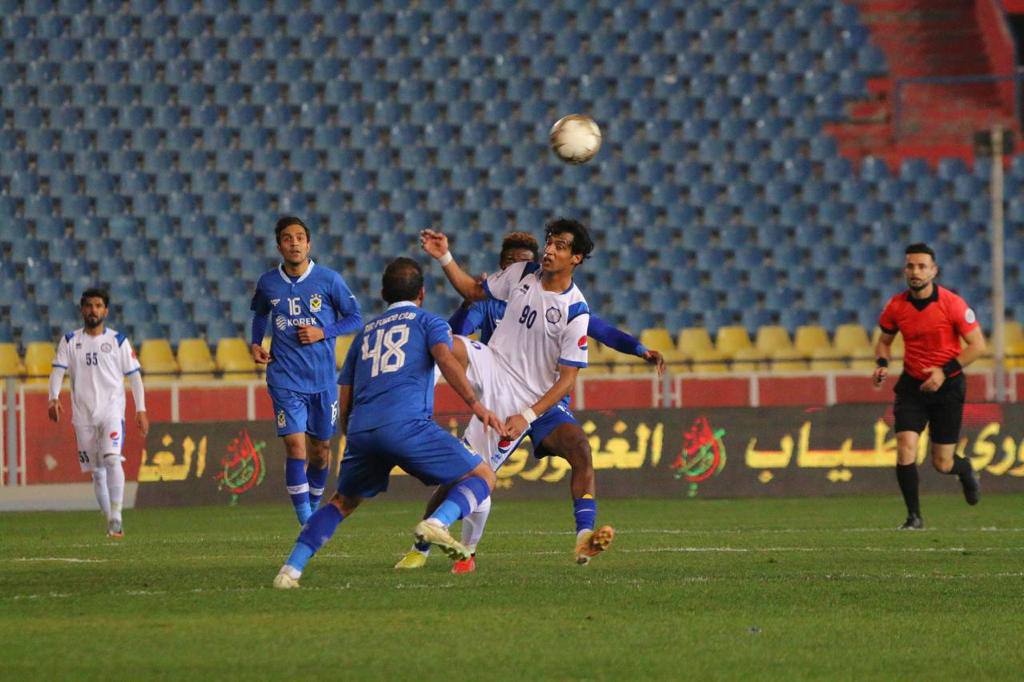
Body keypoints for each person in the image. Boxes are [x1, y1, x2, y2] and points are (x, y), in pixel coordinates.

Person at [399, 231, 664, 573]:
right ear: (503, 266)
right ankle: (423, 545)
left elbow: (597, 339)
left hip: (539, 401)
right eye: (548, 243)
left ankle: (584, 535)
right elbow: (464, 313)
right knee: (464, 469)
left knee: (579, 448)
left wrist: (639, 349)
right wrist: (445, 258)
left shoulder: (574, 310)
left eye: (558, 246)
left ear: (575, 258)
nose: (548, 251)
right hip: (496, 377)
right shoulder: (510, 284)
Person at [273, 257, 507, 588]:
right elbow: (444, 357)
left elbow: (345, 392)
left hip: (362, 429)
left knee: (341, 502)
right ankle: (438, 522)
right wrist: (475, 404)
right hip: (408, 424)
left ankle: (290, 570)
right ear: (422, 293)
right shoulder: (429, 322)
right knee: (483, 475)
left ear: (383, 293)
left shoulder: (365, 333)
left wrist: (352, 437)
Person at [250, 216, 362, 525]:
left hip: (323, 381)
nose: (294, 243)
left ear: (309, 244)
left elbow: (355, 318)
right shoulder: (268, 282)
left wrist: (322, 332)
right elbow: (260, 314)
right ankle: (306, 522)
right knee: (295, 446)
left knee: (321, 450)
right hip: (285, 378)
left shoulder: (329, 280)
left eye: (300, 237)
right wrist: (256, 342)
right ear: (279, 246)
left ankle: (312, 508)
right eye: (288, 238)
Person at [872, 243, 985, 530]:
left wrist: (943, 372)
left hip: (948, 387)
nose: (916, 271)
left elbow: (977, 346)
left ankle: (965, 469)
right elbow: (884, 341)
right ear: (905, 270)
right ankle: (914, 517)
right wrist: (882, 363)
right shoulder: (896, 306)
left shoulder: (952, 304)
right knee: (905, 446)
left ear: (933, 271)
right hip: (912, 386)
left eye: (922, 266)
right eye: (911, 266)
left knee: (942, 463)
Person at [47, 288, 149, 538]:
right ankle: (110, 520)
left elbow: (134, 376)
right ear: (82, 310)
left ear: (106, 311)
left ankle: (117, 516)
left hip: (112, 411)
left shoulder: (118, 341)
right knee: (97, 472)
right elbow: (58, 371)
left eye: (98, 306)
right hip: (83, 415)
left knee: (112, 458)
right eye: (89, 306)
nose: (93, 310)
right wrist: (53, 397)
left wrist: (141, 409)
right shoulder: (70, 341)